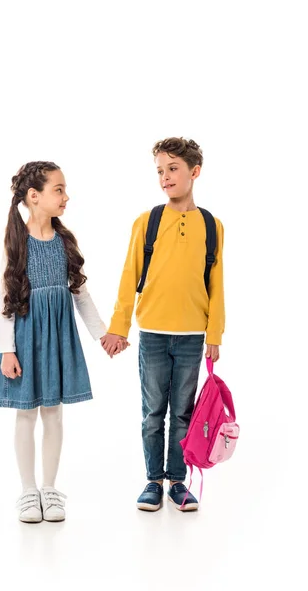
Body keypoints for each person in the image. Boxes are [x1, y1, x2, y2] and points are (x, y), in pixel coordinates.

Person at [0, 161, 127, 523]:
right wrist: (8, 349)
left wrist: (102, 335)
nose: (66, 196)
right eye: (59, 189)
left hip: (57, 336)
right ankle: (27, 491)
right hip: (26, 336)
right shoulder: (16, 243)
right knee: (25, 413)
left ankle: (50, 490)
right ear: (34, 197)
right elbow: (6, 299)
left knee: (53, 413)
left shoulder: (65, 241)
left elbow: (80, 294)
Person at [101, 137, 225, 512]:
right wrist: (119, 327)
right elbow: (129, 277)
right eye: (160, 171)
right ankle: (153, 480)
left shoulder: (212, 225)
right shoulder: (147, 222)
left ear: (194, 172)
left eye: (172, 169)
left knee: (184, 413)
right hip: (152, 333)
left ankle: (178, 482)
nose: (165, 177)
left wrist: (214, 334)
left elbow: (216, 283)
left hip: (191, 336)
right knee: (153, 411)